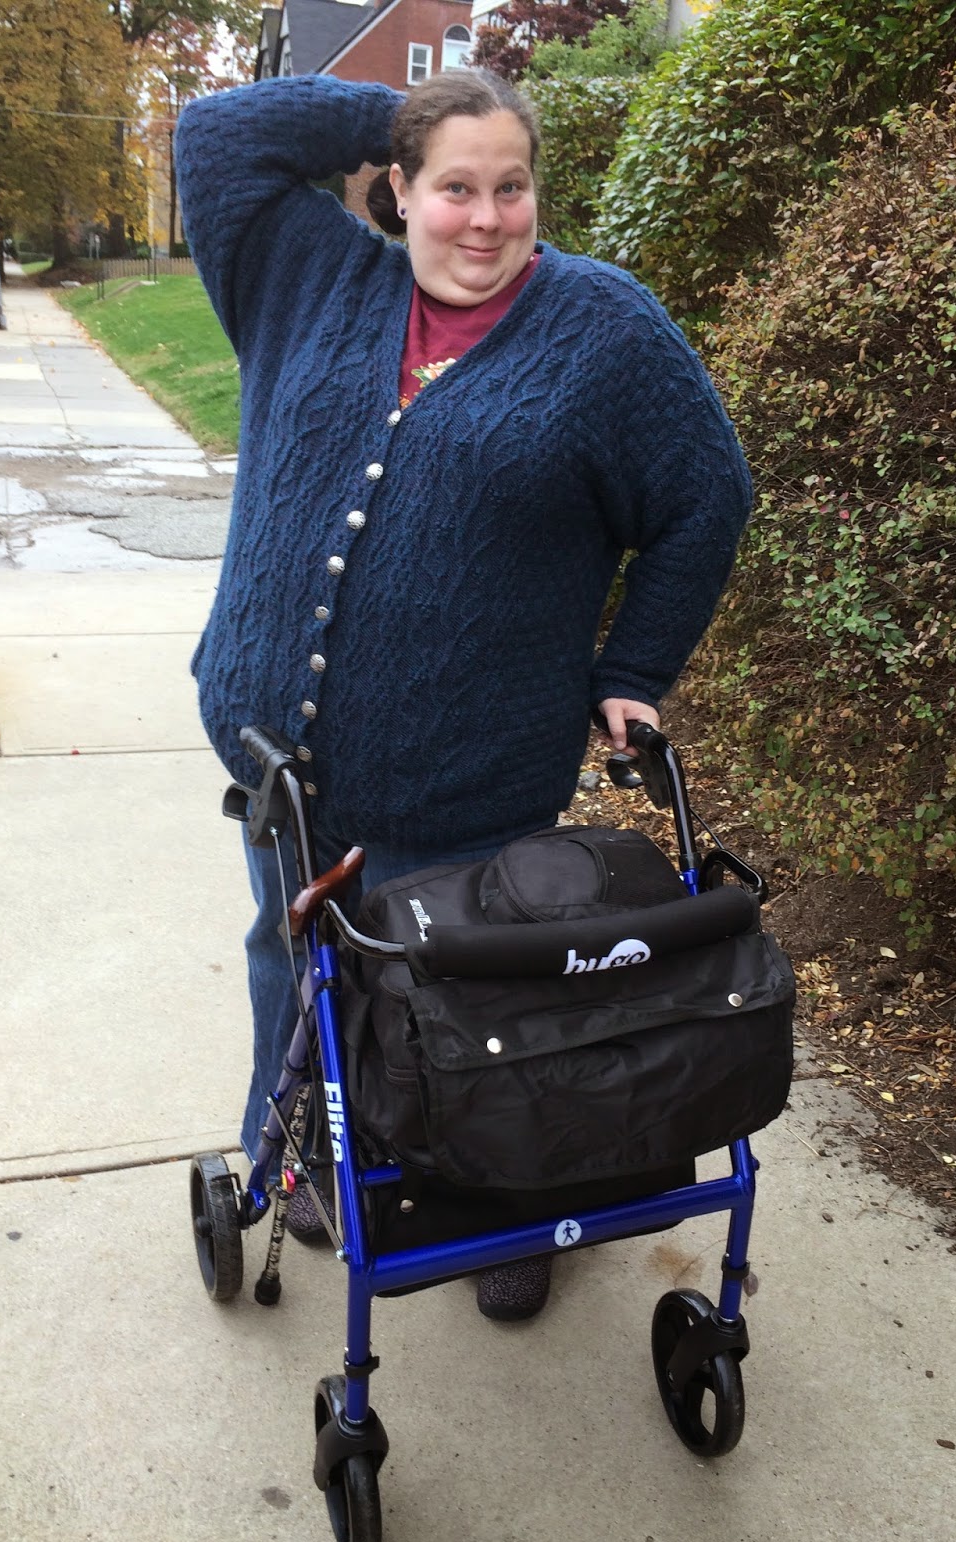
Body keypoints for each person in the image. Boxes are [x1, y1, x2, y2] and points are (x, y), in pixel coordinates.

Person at [174, 69, 752, 1321]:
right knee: (295, 957)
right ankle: (302, 1149)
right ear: (398, 188)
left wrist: (633, 671)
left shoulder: (604, 331)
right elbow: (217, 134)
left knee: (476, 1009)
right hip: (282, 761)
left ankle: (502, 1200)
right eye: (453, 184)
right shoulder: (308, 274)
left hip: (467, 781)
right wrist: (412, 109)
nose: (485, 218)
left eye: (511, 186)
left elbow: (709, 498)